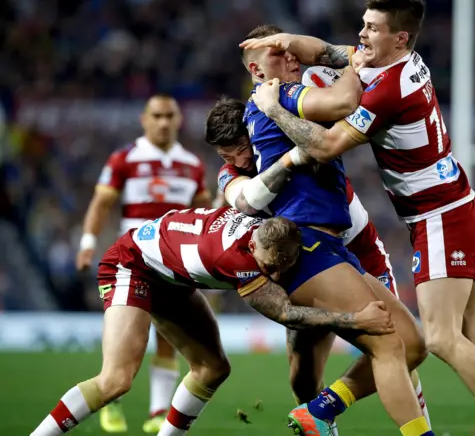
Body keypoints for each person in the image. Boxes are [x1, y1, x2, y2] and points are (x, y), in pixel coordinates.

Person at [242, 0, 475, 435]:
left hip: (438, 216)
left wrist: (273, 107)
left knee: (440, 339)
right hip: (460, 203)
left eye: (372, 28)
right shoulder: (396, 62)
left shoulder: (387, 88)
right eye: (363, 25)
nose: (362, 35)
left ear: (399, 37)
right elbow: (328, 50)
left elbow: (327, 146)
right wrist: (286, 41)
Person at [30, 207, 395, 436]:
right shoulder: (238, 260)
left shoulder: (263, 233)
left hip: (171, 274)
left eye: (281, 268)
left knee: (212, 369)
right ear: (253, 248)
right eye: (269, 268)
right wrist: (354, 319)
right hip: (132, 265)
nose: (273, 274)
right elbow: (286, 314)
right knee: (116, 380)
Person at [237, 23, 431, 436]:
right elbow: (345, 101)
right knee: (387, 345)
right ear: (256, 69)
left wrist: (314, 49)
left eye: (290, 50)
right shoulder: (280, 95)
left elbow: (324, 52)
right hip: (307, 244)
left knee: (413, 344)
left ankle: (321, 409)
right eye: (277, 53)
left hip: (329, 242)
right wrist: (357, 63)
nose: (290, 57)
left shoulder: (277, 100)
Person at [75, 94, 212, 434]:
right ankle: (112, 402)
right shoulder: (126, 158)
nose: (164, 122)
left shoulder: (192, 165)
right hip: (132, 261)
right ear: (144, 119)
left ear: (178, 119)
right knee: (123, 338)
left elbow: (203, 212)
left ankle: (157, 412)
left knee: (169, 338)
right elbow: (102, 202)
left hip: (174, 264)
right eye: (157, 116)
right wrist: (88, 244)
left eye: (169, 116)